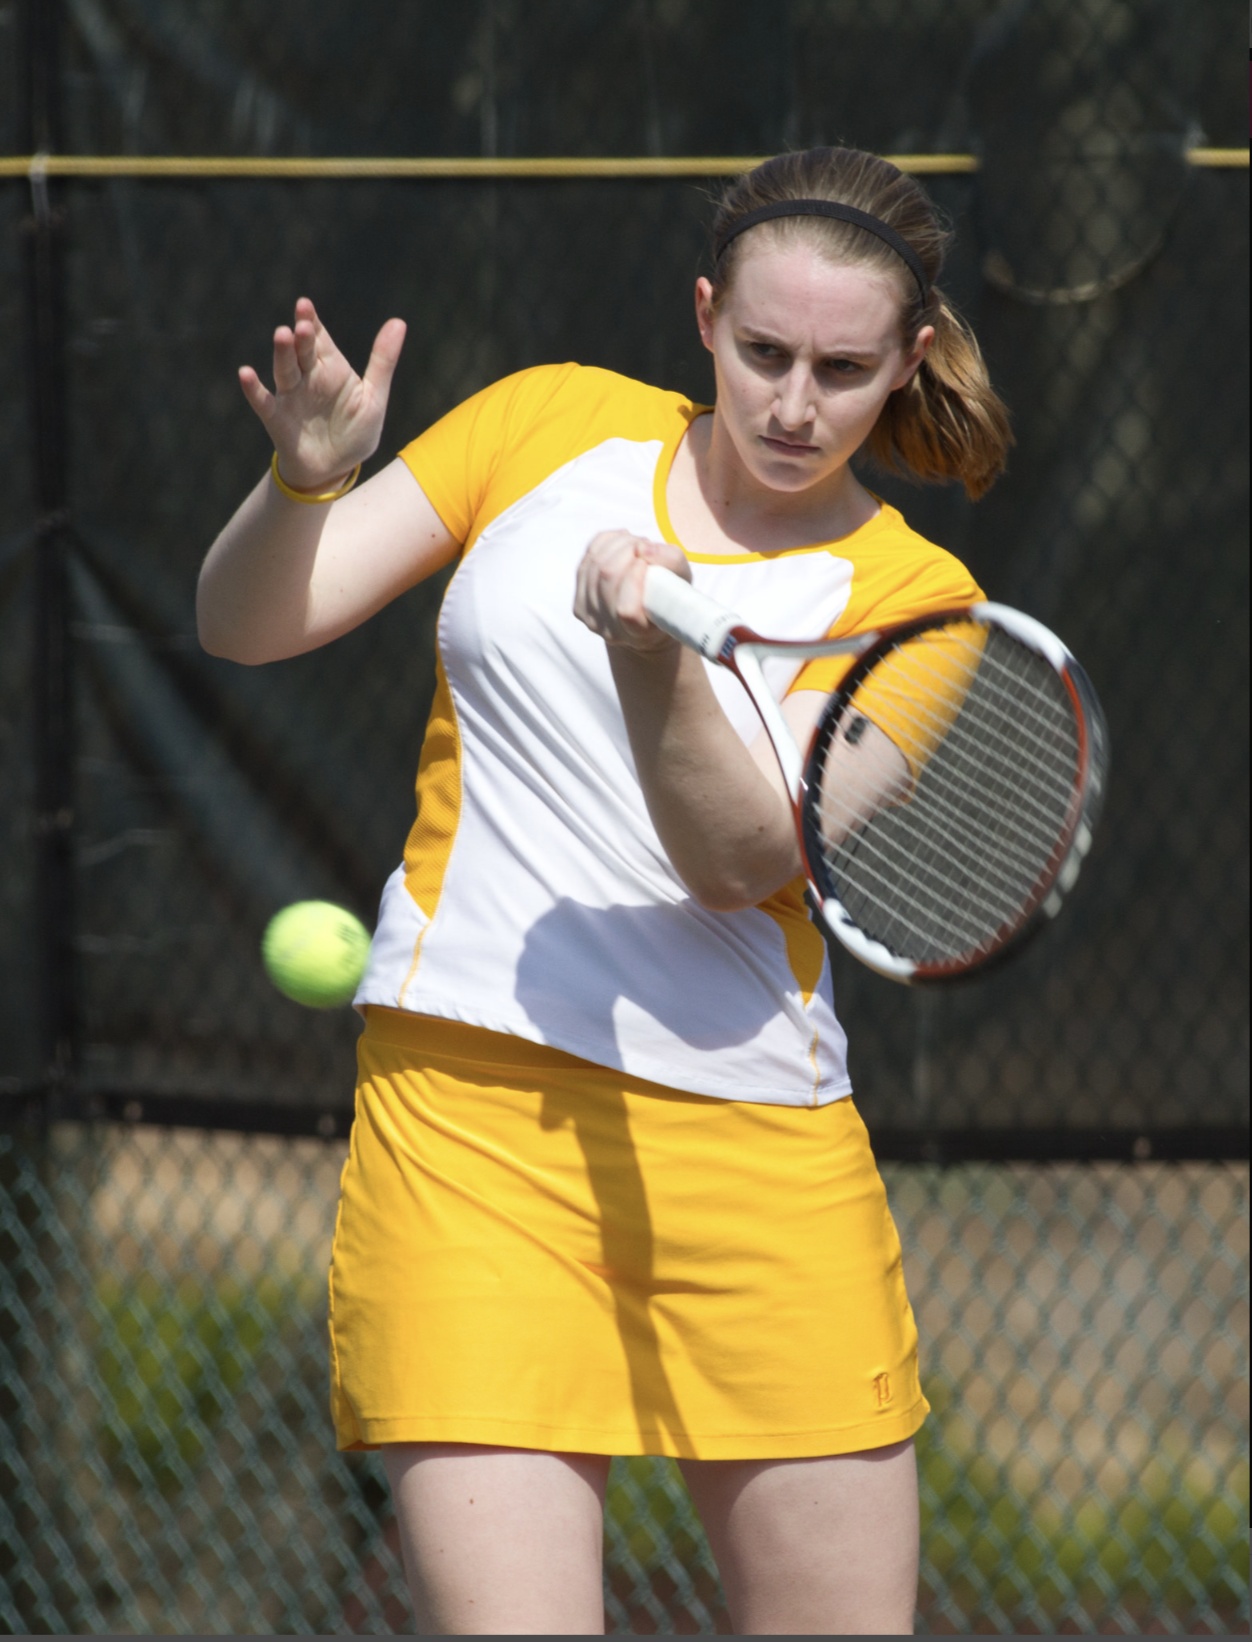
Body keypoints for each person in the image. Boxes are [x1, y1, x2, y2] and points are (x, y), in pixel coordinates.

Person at [197, 146, 1011, 1636]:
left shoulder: (921, 608)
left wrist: (655, 662)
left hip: (763, 1158)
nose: (792, 400)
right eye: (762, 351)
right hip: (466, 1130)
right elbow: (252, 621)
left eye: (841, 367)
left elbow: (742, 853)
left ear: (907, 363)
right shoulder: (550, 420)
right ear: (704, 316)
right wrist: (299, 487)